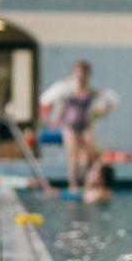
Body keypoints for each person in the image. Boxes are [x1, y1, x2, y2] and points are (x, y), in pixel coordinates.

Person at [41, 60, 117, 192]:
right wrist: (55, 119)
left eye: (83, 72)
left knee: (91, 156)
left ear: (87, 74)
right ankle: (73, 186)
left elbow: (109, 100)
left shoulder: (91, 91)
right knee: (73, 159)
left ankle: (91, 184)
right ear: (74, 74)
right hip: (70, 126)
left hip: (85, 125)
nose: (80, 75)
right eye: (78, 72)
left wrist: (103, 110)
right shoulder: (67, 90)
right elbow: (58, 106)